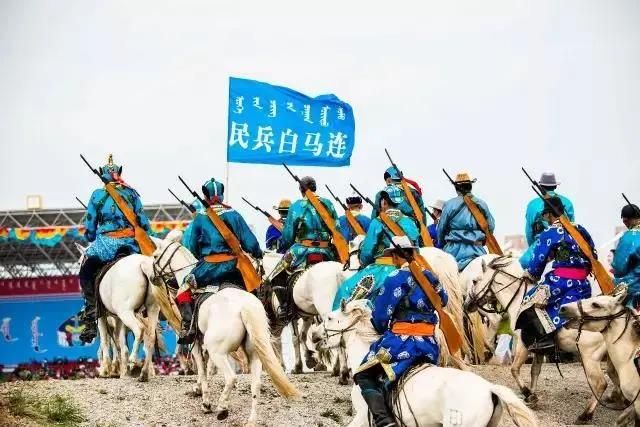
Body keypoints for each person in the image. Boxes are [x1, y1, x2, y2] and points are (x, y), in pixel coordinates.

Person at [352, 236, 447, 427]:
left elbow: (381, 315)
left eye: (393, 257)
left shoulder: (394, 278)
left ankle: (383, 420)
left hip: (401, 344)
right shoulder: (430, 276)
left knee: (363, 374)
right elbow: (443, 300)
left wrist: (380, 326)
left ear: (395, 256)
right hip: (430, 344)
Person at [176, 178, 263, 344]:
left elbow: (191, 247)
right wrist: (258, 254)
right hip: (235, 267)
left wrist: (202, 257)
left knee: (183, 289)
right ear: (221, 195)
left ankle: (188, 326)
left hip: (208, 269)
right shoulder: (234, 214)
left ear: (205, 196)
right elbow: (250, 243)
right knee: (257, 289)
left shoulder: (200, 218)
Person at [78, 155, 151, 343]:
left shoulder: (97, 195)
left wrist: (90, 235)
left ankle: (91, 313)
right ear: (119, 173)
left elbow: (90, 229)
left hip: (105, 245)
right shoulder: (132, 193)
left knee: (86, 271)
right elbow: (144, 223)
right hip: (131, 244)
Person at [516, 196, 595, 351]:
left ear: (549, 214)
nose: (545, 219)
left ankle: (545, 339)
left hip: (561, 282)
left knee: (529, 300)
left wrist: (530, 274)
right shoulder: (579, 229)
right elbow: (592, 254)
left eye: (545, 215)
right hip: (583, 283)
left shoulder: (551, 232)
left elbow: (538, 261)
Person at [333, 191, 419, 309]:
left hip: (383, 268)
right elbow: (416, 250)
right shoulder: (410, 222)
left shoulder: (377, 221)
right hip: (410, 267)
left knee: (345, 291)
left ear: (384, 202)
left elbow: (367, 253)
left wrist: (364, 263)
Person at [269, 176, 339, 319]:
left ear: (301, 190)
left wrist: (285, 245)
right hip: (327, 251)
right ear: (315, 188)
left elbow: (288, 236)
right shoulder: (328, 204)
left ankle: (285, 307)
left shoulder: (297, 206)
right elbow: (337, 230)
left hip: (302, 251)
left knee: (276, 275)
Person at [438, 172, 495, 271]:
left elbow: (441, 229)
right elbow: (491, 227)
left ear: (456, 188)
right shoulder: (481, 204)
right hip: (478, 250)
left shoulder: (449, 204)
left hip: (453, 251)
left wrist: (442, 244)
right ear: (470, 186)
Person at [520, 172, 575, 268]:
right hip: (566, 244)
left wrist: (535, 246)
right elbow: (573, 228)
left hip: (541, 243)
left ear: (541, 186)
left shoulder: (532, 204)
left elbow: (529, 233)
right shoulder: (567, 202)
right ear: (555, 186)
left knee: (523, 263)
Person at [372, 167, 426, 238]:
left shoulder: (381, 194)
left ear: (389, 180)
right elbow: (422, 216)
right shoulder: (414, 192)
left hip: (388, 232)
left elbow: (374, 216)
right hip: (411, 230)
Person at [612, 204, 640, 308]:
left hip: (635, 291)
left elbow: (619, 267)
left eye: (625, 221)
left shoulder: (630, 236)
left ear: (627, 220)